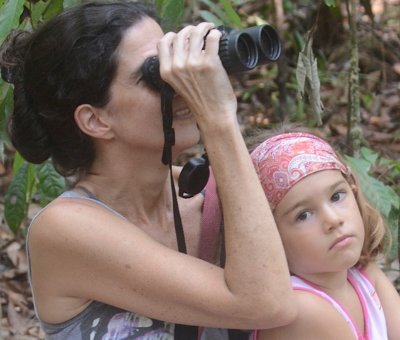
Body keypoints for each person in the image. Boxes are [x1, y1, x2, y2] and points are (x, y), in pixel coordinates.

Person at [0, 1, 297, 339]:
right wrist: (218, 119)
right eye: (158, 73)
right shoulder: (63, 229)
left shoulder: (214, 191)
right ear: (96, 120)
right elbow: (266, 302)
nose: (182, 83)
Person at [249, 131, 400, 339]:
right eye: (303, 215)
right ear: (271, 237)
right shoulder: (303, 309)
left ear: (354, 193)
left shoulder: (364, 275)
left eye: (336, 196)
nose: (333, 220)